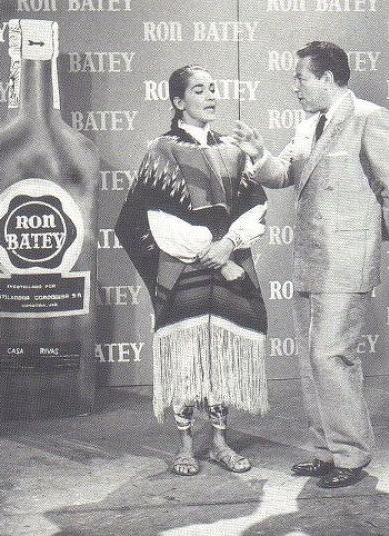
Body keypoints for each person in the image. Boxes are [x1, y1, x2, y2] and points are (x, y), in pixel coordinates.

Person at [231, 41, 389, 488]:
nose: (294, 86)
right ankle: (326, 451)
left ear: (328, 78)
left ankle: (351, 456)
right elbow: (282, 176)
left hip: (346, 261)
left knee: (330, 355)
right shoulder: (307, 126)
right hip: (311, 259)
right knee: (311, 359)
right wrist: (258, 153)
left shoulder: (370, 119)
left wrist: (372, 236)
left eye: (301, 77)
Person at [115, 65, 269, 477]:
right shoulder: (162, 151)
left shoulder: (233, 151)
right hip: (183, 272)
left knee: (218, 357)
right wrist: (212, 253)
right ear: (179, 102)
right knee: (187, 359)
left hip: (227, 261)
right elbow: (154, 222)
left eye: (213, 89)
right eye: (199, 90)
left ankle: (219, 441)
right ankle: (185, 444)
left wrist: (229, 247)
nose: (211, 96)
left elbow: (256, 208)